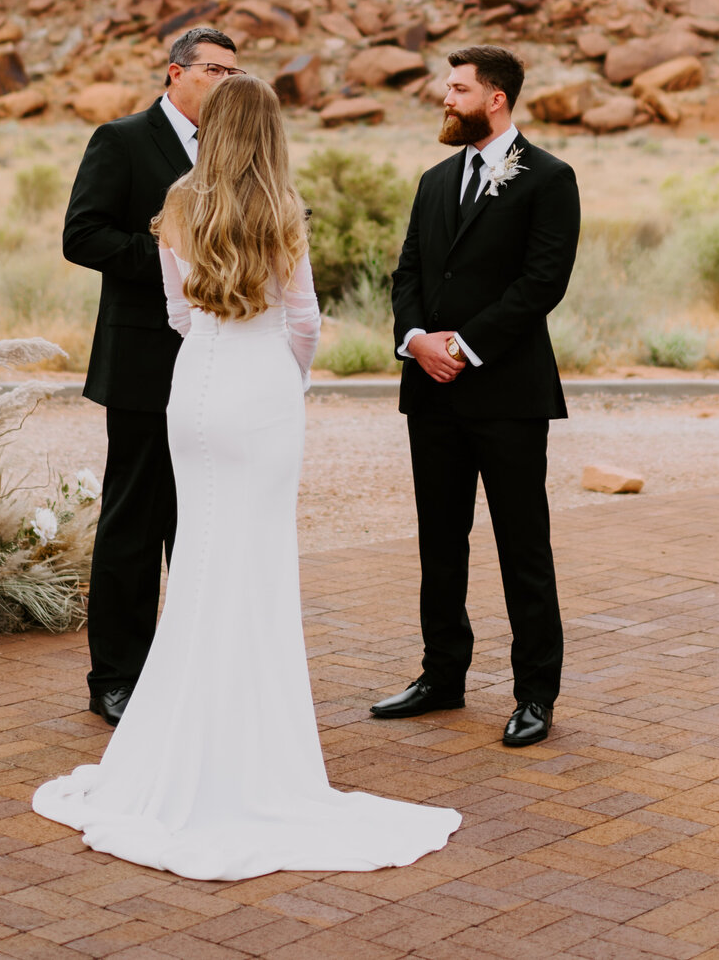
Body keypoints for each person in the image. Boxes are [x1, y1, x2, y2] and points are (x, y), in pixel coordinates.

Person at [35, 76, 461, 878]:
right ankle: (249, 750)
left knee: (198, 556)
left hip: (191, 388)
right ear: (269, 133)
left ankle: (174, 737)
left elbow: (177, 311)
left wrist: (219, 354)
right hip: (258, 391)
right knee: (256, 565)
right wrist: (281, 376)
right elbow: (303, 320)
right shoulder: (282, 210)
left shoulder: (179, 202)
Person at [373, 45, 580, 749]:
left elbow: (542, 282)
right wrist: (416, 338)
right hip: (430, 393)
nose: (445, 98)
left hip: (508, 393)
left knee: (524, 544)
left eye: (457, 88)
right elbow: (406, 273)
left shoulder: (549, 177)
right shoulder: (434, 180)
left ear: (496, 98)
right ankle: (442, 675)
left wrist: (464, 344)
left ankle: (536, 693)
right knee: (440, 541)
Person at [62, 24, 241, 726]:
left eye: (235, 71)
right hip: (141, 359)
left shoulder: (233, 148)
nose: (228, 81)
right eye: (215, 70)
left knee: (200, 519)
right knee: (133, 520)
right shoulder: (122, 139)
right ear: (176, 73)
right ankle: (115, 676)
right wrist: (174, 261)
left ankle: (189, 669)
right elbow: (83, 233)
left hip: (216, 359)